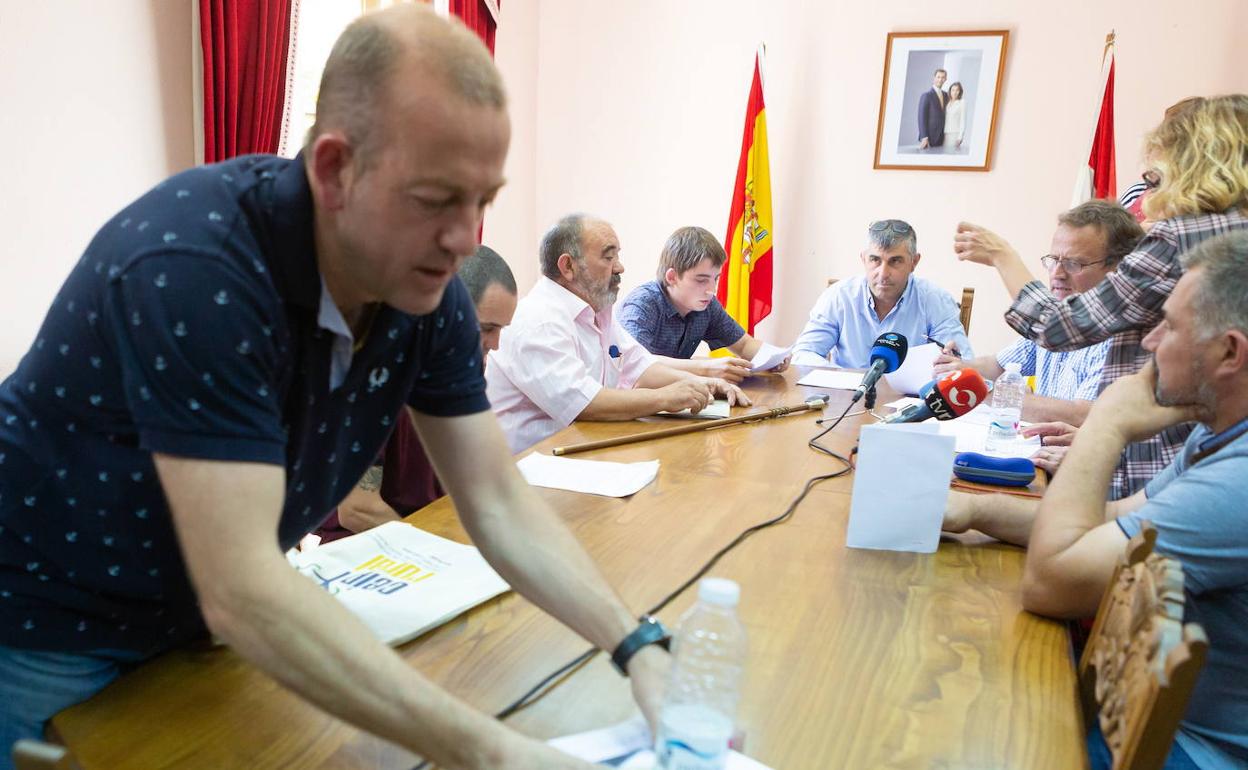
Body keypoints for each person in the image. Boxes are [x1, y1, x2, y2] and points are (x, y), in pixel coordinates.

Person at [0, 8, 667, 769]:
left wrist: (635, 639)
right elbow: (244, 587)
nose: (465, 237)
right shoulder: (193, 268)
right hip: (46, 622)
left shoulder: (431, 289)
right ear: (331, 169)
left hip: (195, 629)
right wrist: (494, 753)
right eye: (434, 199)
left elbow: (496, 499)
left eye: (483, 199)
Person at [943, 232, 1248, 769]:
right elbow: (1107, 521)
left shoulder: (1238, 481)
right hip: (1146, 722)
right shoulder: (1218, 433)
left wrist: (1108, 421)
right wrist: (975, 512)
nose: (1150, 342)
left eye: (1170, 326)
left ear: (1229, 352)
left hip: (1192, 751)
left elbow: (1051, 582)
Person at [953, 93, 1248, 499]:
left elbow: (1057, 326)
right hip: (1215, 454)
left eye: (1154, 176)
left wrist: (1003, 256)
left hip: (1154, 456)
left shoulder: (1179, 237)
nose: (1146, 192)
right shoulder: (1238, 231)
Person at [487, 215, 751, 453]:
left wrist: (702, 383)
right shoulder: (539, 320)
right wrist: (667, 397)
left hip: (581, 451)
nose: (620, 268)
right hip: (530, 470)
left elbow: (640, 365)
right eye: (608, 257)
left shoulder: (599, 312)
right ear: (568, 266)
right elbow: (585, 403)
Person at [316, 245, 518, 543]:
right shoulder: (373, 373)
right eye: (486, 328)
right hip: (371, 546)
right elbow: (358, 511)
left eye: (501, 329)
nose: (496, 344)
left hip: (433, 524)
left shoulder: (460, 370)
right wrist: (436, 549)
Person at [933, 201, 1145, 471]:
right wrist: (959, 367)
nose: (1057, 274)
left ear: (1116, 269)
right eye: (1053, 260)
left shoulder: (1122, 328)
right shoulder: (1060, 309)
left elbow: (1083, 414)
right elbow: (1000, 365)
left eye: (1073, 263)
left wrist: (980, 392)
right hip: (1044, 454)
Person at [618, 225, 790, 383]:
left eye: (716, 279)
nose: (711, 290)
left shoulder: (707, 305)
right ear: (672, 277)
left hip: (675, 396)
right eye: (701, 280)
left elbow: (744, 344)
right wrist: (706, 368)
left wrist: (772, 356)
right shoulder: (642, 304)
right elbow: (633, 362)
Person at [792, 219, 972, 368]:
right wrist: (843, 377)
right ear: (863, 259)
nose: (883, 273)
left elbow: (961, 362)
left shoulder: (936, 300)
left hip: (911, 401)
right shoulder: (839, 296)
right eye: (875, 260)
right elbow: (804, 354)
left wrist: (951, 361)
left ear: (914, 262)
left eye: (895, 261)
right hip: (847, 397)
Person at [917, 68, 948, 150]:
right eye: (938, 77)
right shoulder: (926, 96)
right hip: (930, 137)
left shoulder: (946, 95)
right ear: (934, 78)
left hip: (942, 137)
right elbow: (921, 118)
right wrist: (924, 137)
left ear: (945, 79)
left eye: (943, 77)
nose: (940, 79)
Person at [943, 82, 966, 149]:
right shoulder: (947, 102)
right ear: (950, 91)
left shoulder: (962, 102)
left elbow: (963, 120)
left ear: (960, 92)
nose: (955, 92)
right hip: (944, 133)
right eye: (953, 90)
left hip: (954, 134)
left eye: (957, 90)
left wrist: (960, 137)